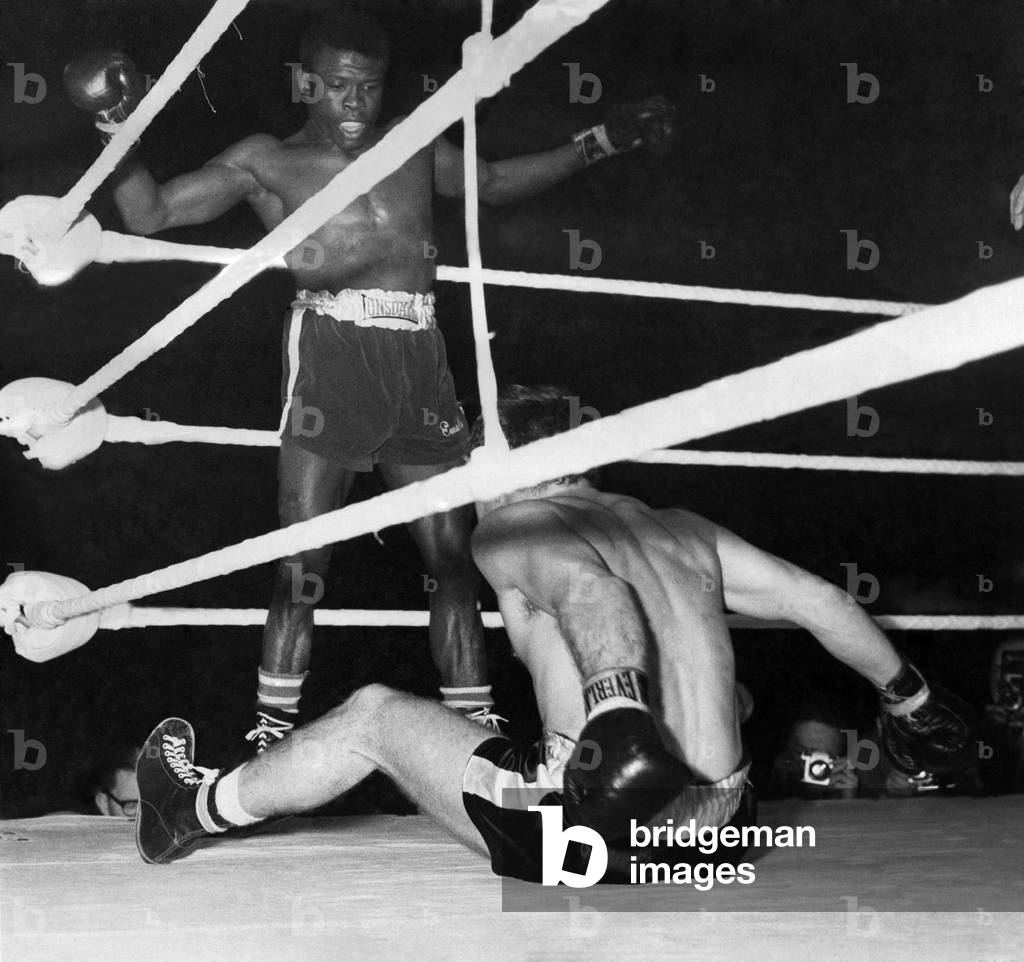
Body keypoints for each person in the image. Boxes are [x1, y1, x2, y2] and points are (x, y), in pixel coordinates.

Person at [63, 5, 677, 749]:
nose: (355, 104)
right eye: (340, 87)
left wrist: (602, 140)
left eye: (370, 88)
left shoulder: (413, 143)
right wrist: (117, 128)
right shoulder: (269, 161)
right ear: (308, 84)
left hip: (419, 351)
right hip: (331, 350)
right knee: (302, 555)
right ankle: (270, 734)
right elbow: (152, 214)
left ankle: (474, 728)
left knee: (452, 555)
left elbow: (491, 180)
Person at [134, 386, 977, 882]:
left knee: (373, 715)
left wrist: (618, 725)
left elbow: (588, 588)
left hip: (597, 829)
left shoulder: (515, 527)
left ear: (495, 465)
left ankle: (190, 809)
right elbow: (819, 601)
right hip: (724, 831)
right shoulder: (678, 526)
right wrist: (913, 700)